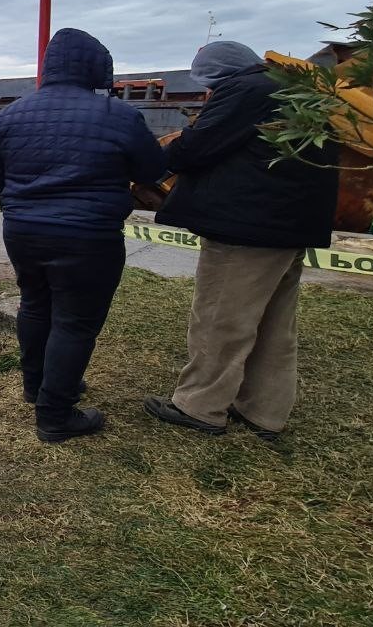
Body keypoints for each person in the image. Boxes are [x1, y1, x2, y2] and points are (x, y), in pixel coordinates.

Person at [144, 42, 338, 441]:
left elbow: (195, 149)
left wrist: (161, 151)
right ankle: (264, 410)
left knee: (221, 318)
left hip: (247, 227)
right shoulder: (297, 90)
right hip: (289, 226)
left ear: (218, 73)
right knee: (273, 323)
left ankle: (199, 405)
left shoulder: (246, 90)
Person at [0, 29, 166, 443]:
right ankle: (55, 416)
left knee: (35, 305)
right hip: (89, 236)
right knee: (76, 322)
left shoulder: (10, 115)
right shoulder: (118, 115)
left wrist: (19, 208)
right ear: (97, 67)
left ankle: (36, 386)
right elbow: (153, 170)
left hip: (23, 231)